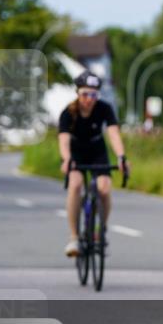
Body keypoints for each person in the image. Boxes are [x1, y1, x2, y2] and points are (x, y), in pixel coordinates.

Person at [58, 71, 128, 257]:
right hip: (76, 153)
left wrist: (121, 157)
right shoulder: (68, 113)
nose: (89, 99)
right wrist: (66, 159)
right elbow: (63, 141)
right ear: (78, 93)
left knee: (104, 188)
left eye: (93, 95)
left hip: (97, 151)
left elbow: (113, 134)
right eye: (85, 94)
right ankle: (74, 238)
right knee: (76, 184)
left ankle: (100, 230)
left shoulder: (104, 109)